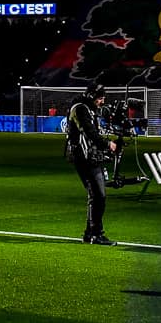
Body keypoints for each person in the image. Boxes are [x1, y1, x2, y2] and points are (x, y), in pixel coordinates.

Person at [66, 81, 118, 243]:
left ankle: (91, 233)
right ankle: (96, 234)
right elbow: (88, 132)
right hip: (83, 156)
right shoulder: (80, 109)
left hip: (90, 156)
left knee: (96, 195)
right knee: (98, 195)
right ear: (92, 96)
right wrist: (107, 144)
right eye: (100, 98)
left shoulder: (87, 108)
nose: (102, 102)